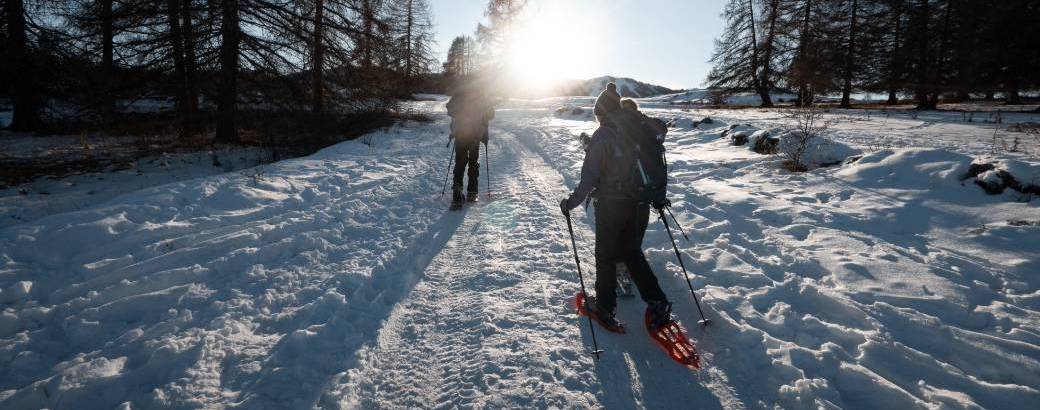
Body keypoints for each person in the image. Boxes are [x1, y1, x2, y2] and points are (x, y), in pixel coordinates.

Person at [560, 83, 673, 332]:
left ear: (602, 112)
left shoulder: (603, 134)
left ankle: (605, 307)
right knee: (632, 253)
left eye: (598, 115)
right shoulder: (637, 130)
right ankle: (658, 302)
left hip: (612, 205)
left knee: (606, 255)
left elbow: (589, 178)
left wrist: (570, 203)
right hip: (640, 203)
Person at [446, 83, 495, 210]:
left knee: (460, 163)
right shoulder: (481, 96)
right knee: (473, 162)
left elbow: (449, 108)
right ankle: (472, 193)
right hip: (476, 135)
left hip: (461, 134)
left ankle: (457, 195)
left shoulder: (459, 94)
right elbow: (491, 114)